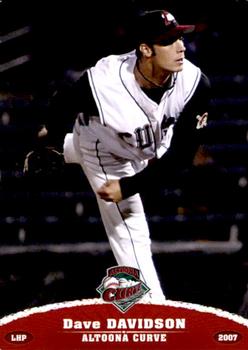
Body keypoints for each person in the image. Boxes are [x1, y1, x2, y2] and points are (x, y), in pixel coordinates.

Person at [28, 9, 211, 302]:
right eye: (169, 41)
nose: (181, 47)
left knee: (141, 159)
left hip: (151, 143)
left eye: (180, 37)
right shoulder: (104, 81)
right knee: (130, 226)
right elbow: (62, 102)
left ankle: (67, 148)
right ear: (145, 49)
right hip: (104, 147)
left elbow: (181, 156)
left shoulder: (194, 83)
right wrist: (49, 137)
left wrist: (128, 185)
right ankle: (154, 308)